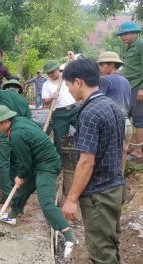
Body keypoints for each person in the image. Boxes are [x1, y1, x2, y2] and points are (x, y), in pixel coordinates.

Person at [0, 105, 77, 257]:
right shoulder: (20, 120)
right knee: (23, 189)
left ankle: (70, 237)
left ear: (5, 121)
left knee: (46, 203)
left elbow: (25, 164)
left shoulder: (16, 135)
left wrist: (20, 176)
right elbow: (38, 126)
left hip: (47, 165)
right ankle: (12, 216)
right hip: (39, 160)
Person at [61, 59, 126, 263]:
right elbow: (121, 148)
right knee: (110, 244)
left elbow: (86, 162)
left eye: (69, 85)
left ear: (78, 82)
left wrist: (71, 199)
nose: (69, 91)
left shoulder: (89, 112)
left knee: (102, 254)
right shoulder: (111, 106)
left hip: (99, 194)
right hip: (114, 187)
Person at [0, 80, 31, 204]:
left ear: (6, 88)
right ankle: (15, 191)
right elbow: (28, 118)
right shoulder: (24, 101)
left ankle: (6, 194)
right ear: (18, 90)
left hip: (5, 133)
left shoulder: (0, 94)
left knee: (3, 163)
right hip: (20, 134)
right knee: (15, 163)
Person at [97, 51, 132, 175]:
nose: (100, 68)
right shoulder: (126, 81)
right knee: (122, 158)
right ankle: (120, 186)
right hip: (127, 125)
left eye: (102, 65)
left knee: (108, 158)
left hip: (114, 125)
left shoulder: (106, 79)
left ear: (112, 64)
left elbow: (98, 102)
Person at [116, 21, 143, 161]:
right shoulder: (127, 48)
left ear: (134, 32)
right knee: (125, 116)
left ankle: (138, 151)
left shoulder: (141, 44)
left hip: (138, 85)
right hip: (128, 86)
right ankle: (132, 147)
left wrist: (142, 89)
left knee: (139, 119)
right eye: (121, 35)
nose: (123, 37)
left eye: (125, 33)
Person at [42, 58, 79, 156]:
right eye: (48, 73)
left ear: (58, 69)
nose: (50, 75)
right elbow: (46, 101)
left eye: (52, 72)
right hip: (59, 113)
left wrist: (72, 58)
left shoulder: (67, 77)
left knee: (84, 129)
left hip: (73, 109)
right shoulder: (46, 84)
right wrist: (51, 97)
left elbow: (79, 69)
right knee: (59, 140)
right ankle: (60, 163)